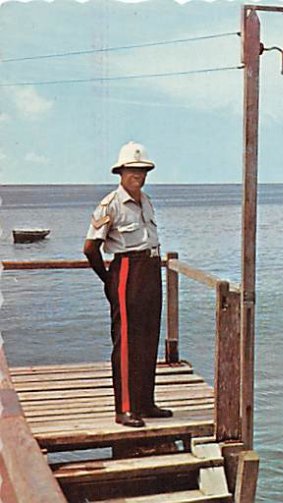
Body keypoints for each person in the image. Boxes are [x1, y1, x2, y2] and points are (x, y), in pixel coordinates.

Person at [83, 141, 172, 428]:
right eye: (133, 170)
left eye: (143, 170)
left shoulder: (146, 201)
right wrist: (109, 280)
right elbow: (90, 248)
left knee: (148, 338)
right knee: (125, 343)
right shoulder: (110, 205)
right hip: (126, 271)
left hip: (150, 269)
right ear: (120, 172)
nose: (139, 175)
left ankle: (145, 403)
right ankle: (123, 409)